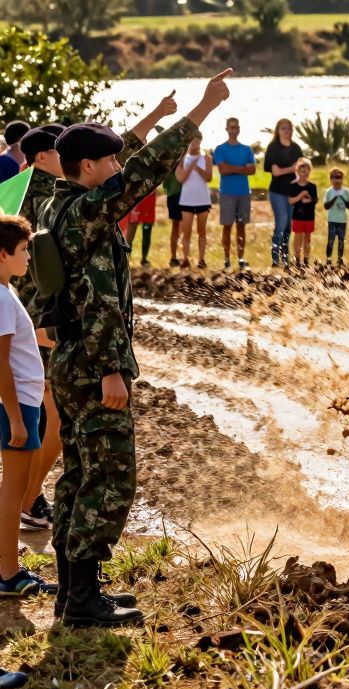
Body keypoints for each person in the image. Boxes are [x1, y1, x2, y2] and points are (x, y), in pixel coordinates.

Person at [41, 71, 231, 627]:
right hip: (93, 363)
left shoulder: (64, 200)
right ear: (88, 169)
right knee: (109, 479)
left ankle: (77, 592)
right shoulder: (84, 211)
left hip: (72, 360)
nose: (119, 166)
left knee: (80, 474)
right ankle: (80, 600)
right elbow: (143, 174)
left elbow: (125, 159)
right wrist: (201, 109)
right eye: (109, 162)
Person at [0, 215, 58, 597]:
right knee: (14, 487)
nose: (27, 258)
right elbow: (1, 362)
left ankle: (7, 566)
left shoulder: (7, 292)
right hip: (17, 404)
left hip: (21, 401)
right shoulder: (2, 298)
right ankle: (8, 573)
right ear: (2, 254)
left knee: (14, 485)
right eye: (22, 251)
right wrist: (17, 419)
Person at [15, 125, 64, 533]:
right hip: (39, 318)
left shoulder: (16, 189)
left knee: (45, 414)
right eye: (59, 150)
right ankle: (28, 498)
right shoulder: (45, 191)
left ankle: (29, 496)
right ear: (43, 157)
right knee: (53, 415)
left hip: (25, 314)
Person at [212, 117, 256, 271]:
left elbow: (252, 170)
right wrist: (241, 168)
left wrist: (232, 168)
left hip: (243, 193)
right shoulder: (220, 149)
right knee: (227, 227)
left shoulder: (246, 149)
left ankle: (241, 259)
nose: (233, 130)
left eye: (236, 127)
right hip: (227, 194)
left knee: (241, 226)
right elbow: (222, 170)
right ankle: (226, 259)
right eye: (231, 127)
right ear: (226, 129)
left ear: (239, 129)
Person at [263, 119, 301, 268]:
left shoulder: (296, 148)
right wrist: (291, 169)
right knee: (281, 222)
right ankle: (274, 258)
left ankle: (285, 258)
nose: (287, 131)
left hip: (292, 192)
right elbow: (274, 172)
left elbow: (302, 169)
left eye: (289, 128)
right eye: (283, 128)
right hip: (277, 192)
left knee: (288, 227)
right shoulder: (273, 148)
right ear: (278, 130)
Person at [175, 134, 213, 269]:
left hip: (202, 199)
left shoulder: (207, 158)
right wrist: (191, 165)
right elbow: (181, 178)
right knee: (186, 232)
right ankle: (185, 259)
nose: (194, 142)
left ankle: (201, 260)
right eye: (192, 139)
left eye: (197, 139)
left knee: (201, 231)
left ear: (201, 141)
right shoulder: (183, 159)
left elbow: (209, 177)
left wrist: (197, 167)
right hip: (187, 200)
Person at [288, 159, 317, 268]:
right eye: (302, 171)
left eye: (306, 171)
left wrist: (308, 198)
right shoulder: (293, 186)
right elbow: (291, 201)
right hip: (297, 216)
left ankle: (306, 259)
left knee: (308, 238)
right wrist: (301, 196)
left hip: (309, 216)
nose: (304, 173)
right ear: (297, 172)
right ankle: (297, 259)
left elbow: (315, 200)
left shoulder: (312, 186)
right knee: (298, 237)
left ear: (309, 172)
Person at [323, 168, 349, 265]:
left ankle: (340, 258)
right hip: (332, 220)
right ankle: (328, 258)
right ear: (331, 179)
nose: (337, 180)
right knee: (330, 240)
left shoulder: (346, 192)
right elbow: (326, 206)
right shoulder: (329, 191)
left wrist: (342, 198)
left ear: (342, 179)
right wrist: (335, 198)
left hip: (342, 220)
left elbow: (348, 206)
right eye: (335, 177)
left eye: (339, 177)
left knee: (341, 240)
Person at [123, 190, 158, 267]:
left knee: (147, 231)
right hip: (136, 198)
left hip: (149, 198)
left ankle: (144, 259)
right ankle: (125, 260)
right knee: (129, 235)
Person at [163, 170, 183, 267]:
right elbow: (165, 185)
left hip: (180, 195)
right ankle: (174, 257)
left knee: (178, 227)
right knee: (176, 227)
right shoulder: (171, 165)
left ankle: (179, 257)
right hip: (174, 196)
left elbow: (165, 186)